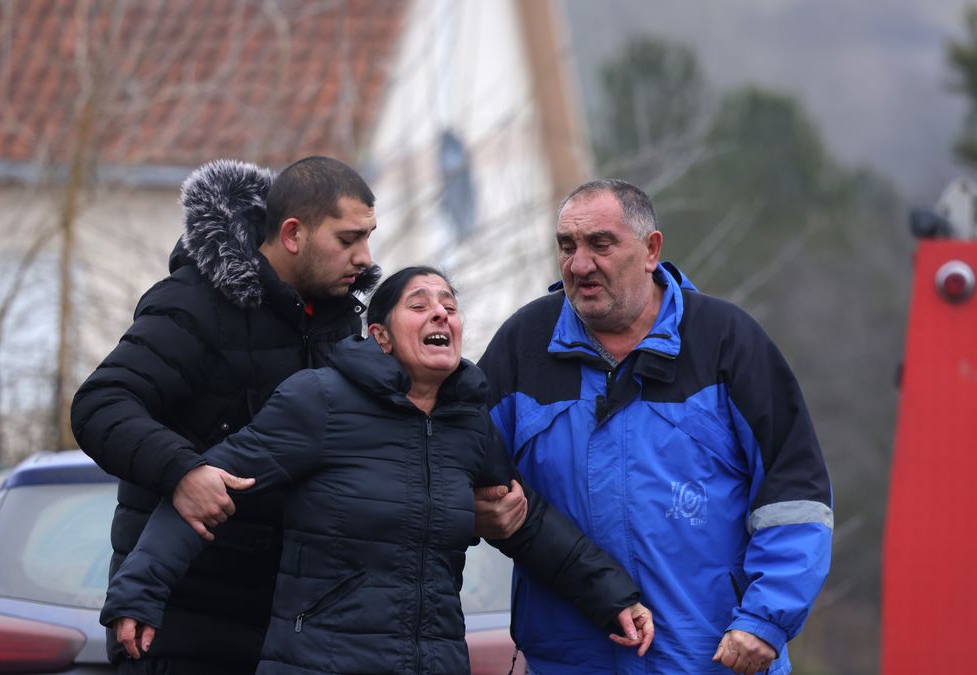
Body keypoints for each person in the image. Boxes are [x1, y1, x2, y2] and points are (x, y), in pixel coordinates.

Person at [70, 158, 526, 673]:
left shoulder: (344, 326)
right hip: (183, 616)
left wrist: (467, 507)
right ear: (292, 234)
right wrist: (182, 471)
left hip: (290, 625)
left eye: (369, 237)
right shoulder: (195, 305)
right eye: (348, 239)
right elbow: (100, 404)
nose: (365, 257)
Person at [102, 267, 655, 674]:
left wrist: (613, 597)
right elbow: (209, 489)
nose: (441, 313)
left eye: (449, 305)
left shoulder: (469, 424)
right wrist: (138, 593)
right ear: (380, 337)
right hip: (321, 662)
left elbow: (527, 522)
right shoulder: (319, 400)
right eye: (419, 304)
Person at [478, 180, 833, 675]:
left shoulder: (725, 341)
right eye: (567, 246)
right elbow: (461, 467)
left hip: (714, 659)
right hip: (569, 661)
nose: (580, 265)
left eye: (600, 244)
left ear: (651, 250)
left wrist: (765, 618)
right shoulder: (523, 344)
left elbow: (795, 494)